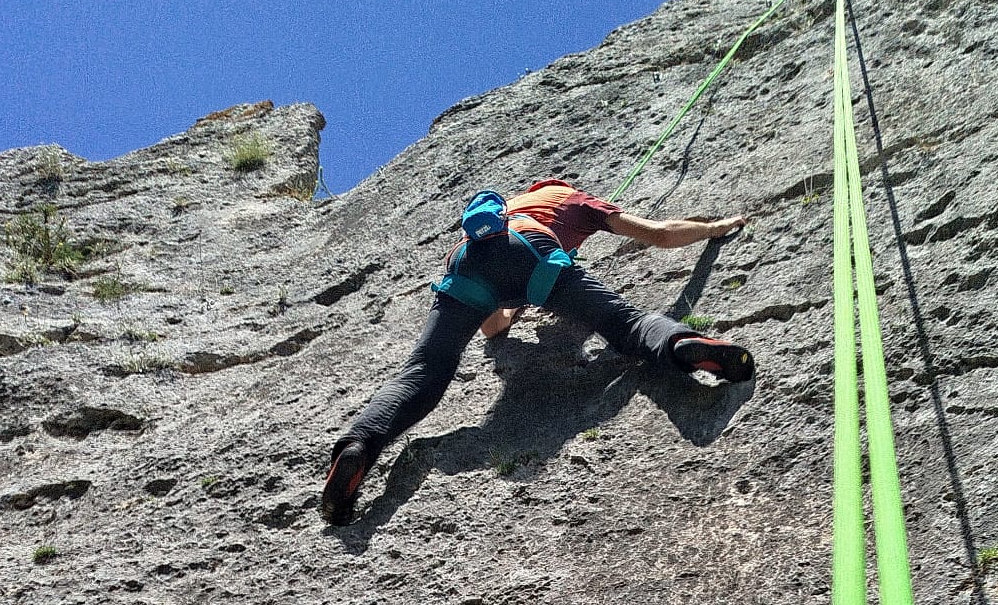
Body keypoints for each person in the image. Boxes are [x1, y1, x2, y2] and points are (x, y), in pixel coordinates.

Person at [320, 177, 755, 525]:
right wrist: (715, 228)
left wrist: (512, 299)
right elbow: (658, 236)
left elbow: (493, 329)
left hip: (466, 261)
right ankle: (683, 344)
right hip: (533, 249)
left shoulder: (504, 208)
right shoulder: (580, 202)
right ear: (562, 186)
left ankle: (358, 446)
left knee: (423, 371)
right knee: (626, 324)